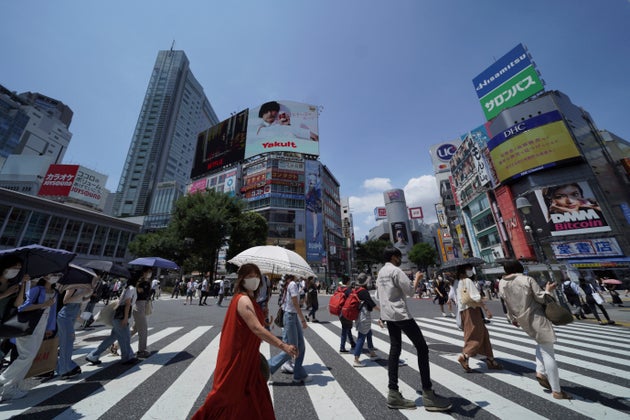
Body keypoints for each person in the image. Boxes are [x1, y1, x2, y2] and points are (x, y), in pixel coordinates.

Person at [192, 264, 297, 419]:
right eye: (249, 276)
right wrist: (283, 346)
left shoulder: (250, 300)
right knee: (227, 396)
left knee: (252, 395)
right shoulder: (243, 299)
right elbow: (255, 328)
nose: (253, 279)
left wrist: (263, 317)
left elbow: (254, 324)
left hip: (249, 356)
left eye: (256, 275)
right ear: (241, 280)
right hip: (238, 357)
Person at [375, 246, 451, 411]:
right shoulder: (396, 271)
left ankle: (393, 392)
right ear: (394, 257)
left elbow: (377, 295)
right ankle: (428, 393)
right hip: (401, 314)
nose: (400, 259)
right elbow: (410, 291)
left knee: (395, 349)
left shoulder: (380, 273)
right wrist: (417, 278)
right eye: (399, 256)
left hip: (388, 315)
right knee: (422, 348)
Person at [499, 260, 572, 400]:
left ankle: (540, 372)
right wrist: (549, 290)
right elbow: (541, 298)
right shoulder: (526, 279)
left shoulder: (502, 283)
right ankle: (557, 390)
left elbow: (505, 303)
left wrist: (511, 318)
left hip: (521, 319)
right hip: (536, 316)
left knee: (541, 344)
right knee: (549, 352)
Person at [1, 273, 58, 401]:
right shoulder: (36, 289)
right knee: (27, 356)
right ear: (45, 276)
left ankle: (12, 387)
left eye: (58, 275)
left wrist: (49, 328)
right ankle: (3, 380)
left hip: (41, 326)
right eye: (53, 274)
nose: (56, 277)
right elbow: (22, 307)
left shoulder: (54, 292)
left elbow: (52, 312)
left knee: (29, 358)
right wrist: (43, 305)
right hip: (28, 326)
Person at [449, 263, 502, 374]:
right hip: (471, 311)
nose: (471, 270)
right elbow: (475, 297)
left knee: (484, 334)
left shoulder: (456, 282)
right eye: (469, 268)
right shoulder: (468, 281)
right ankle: (465, 355)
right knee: (475, 335)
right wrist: (486, 308)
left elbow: (454, 298)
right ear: (464, 270)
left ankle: (490, 360)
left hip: (463, 311)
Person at [268, 274, 310, 384]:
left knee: (300, 346)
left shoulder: (291, 284)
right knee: (291, 349)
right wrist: (303, 320)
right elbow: (296, 304)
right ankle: (268, 367)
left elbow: (294, 303)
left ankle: (298, 373)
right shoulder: (292, 284)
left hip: (292, 316)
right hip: (291, 316)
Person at [86, 278, 138, 366]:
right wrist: (125, 318)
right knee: (125, 337)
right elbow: (127, 303)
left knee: (113, 338)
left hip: (117, 316)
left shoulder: (127, 287)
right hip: (121, 317)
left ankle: (93, 355)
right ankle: (127, 357)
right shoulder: (131, 288)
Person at [57, 280, 94, 379]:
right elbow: (65, 301)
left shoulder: (87, 286)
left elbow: (80, 303)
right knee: (66, 343)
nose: (96, 281)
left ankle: (66, 367)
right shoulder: (73, 285)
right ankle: (64, 370)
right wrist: (83, 294)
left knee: (68, 343)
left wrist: (86, 297)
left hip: (72, 316)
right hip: (65, 316)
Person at [352, 273, 379, 367]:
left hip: (359, 315)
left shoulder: (357, 290)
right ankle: (356, 359)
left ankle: (372, 352)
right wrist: (382, 311)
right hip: (364, 316)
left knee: (368, 333)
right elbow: (371, 303)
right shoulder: (363, 291)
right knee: (361, 337)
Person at [131, 268, 152, 359]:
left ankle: (116, 345)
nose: (150, 274)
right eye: (148, 272)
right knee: (143, 330)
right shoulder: (140, 283)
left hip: (143, 306)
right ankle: (141, 351)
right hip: (139, 306)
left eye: (151, 272)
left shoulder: (147, 282)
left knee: (134, 329)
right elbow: (141, 293)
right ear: (144, 273)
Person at [338, 275, 356, 353]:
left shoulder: (339, 289)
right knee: (345, 329)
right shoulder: (348, 290)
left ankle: (352, 343)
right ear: (348, 282)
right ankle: (342, 347)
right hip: (346, 312)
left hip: (339, 311)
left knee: (347, 327)